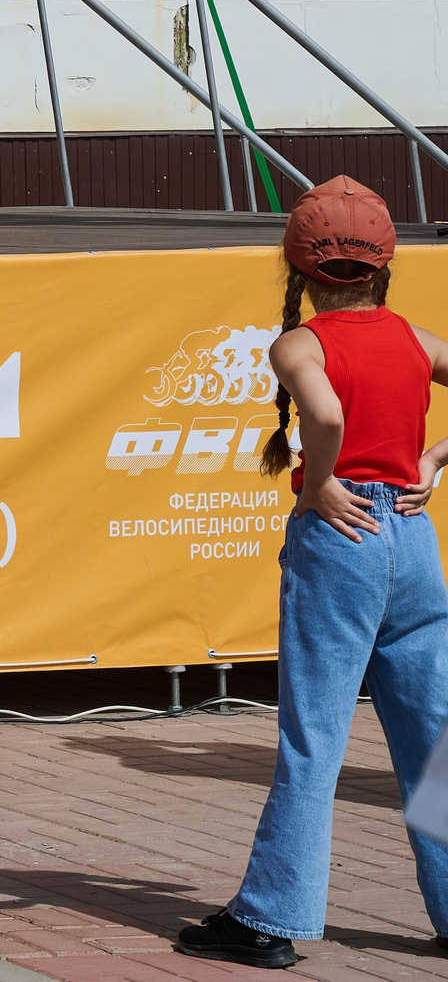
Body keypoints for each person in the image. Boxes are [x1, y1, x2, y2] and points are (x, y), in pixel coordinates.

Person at [179, 176, 448, 969]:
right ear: (384, 263)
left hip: (344, 538)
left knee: (314, 739)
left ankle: (270, 916)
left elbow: (324, 415)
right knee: (435, 739)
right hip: (411, 533)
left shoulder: (301, 343)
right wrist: (431, 460)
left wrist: (319, 478)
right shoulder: (414, 337)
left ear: (298, 266)